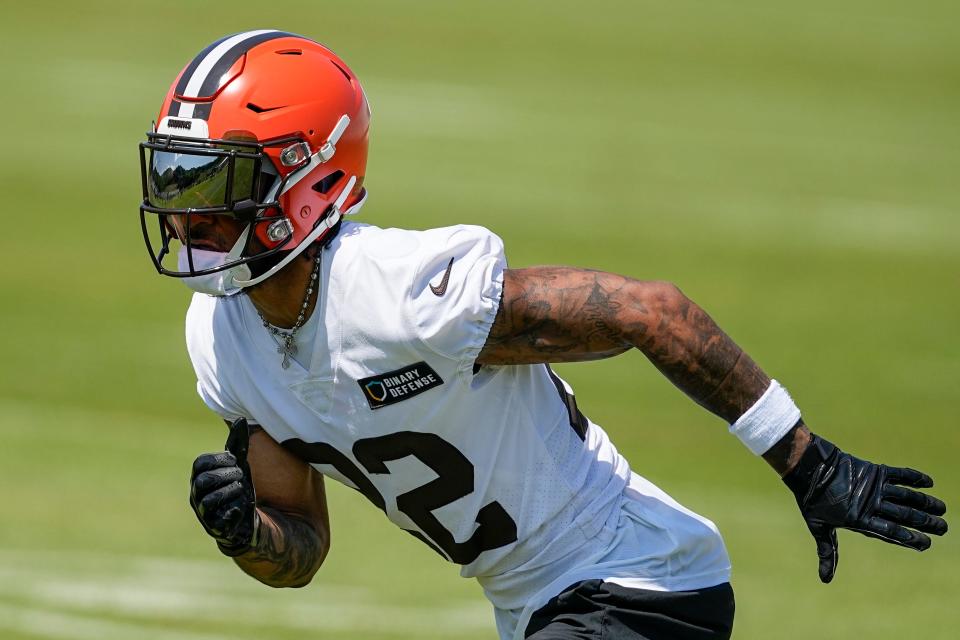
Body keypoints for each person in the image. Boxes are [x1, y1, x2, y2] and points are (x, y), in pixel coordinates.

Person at [139, 31, 948, 640]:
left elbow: (648, 311)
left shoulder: (397, 292)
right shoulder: (221, 339)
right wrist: (246, 532)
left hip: (640, 583)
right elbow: (302, 548)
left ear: (308, 178)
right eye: (174, 179)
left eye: (213, 182)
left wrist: (808, 461)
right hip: (539, 609)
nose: (184, 214)